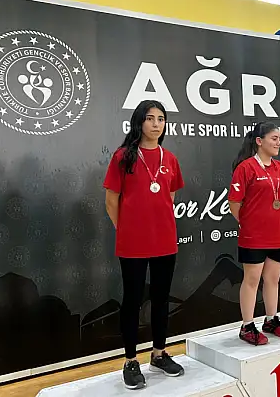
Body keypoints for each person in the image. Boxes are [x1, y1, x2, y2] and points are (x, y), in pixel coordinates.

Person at [104, 100, 185, 389]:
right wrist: (127, 229)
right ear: (139, 122)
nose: (156, 124)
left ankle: (159, 354)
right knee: (132, 300)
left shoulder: (169, 158)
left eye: (161, 119)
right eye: (150, 118)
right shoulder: (123, 156)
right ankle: (130, 361)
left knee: (161, 299)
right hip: (133, 243)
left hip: (164, 241)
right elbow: (111, 201)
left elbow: (169, 197)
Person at [229, 121, 280, 346]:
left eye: (279, 139)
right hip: (253, 236)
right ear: (259, 141)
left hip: (278, 235)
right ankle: (247, 325)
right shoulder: (245, 168)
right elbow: (234, 203)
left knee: (273, 279)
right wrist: (249, 223)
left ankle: (271, 319)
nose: (279, 142)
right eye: (274, 138)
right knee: (252, 279)